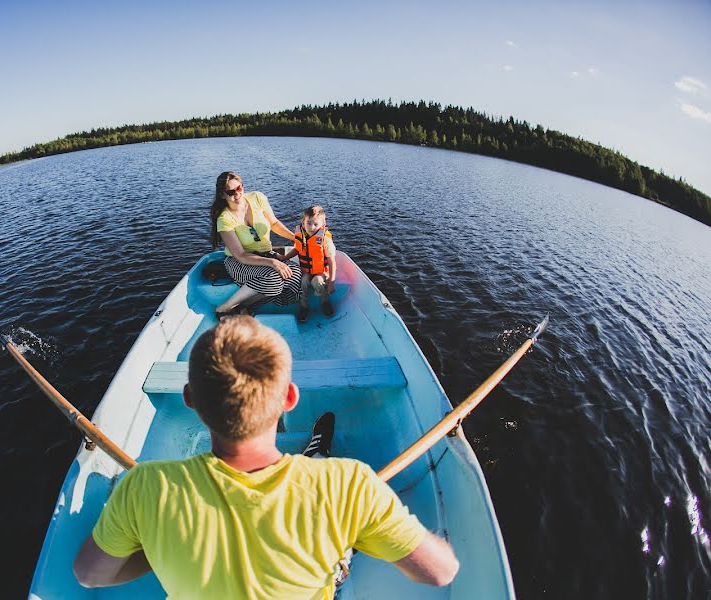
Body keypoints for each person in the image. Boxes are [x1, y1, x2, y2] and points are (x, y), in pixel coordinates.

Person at [73, 317, 460, 598]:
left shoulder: (144, 488)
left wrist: (160, 550)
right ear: (291, 398)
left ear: (189, 399)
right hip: (337, 500)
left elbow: (90, 575)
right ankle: (319, 468)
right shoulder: (351, 485)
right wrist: (366, 517)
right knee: (339, 545)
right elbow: (441, 572)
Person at [210, 171, 303, 318]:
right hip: (239, 262)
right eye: (231, 192)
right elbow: (240, 255)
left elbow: (274, 223)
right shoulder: (224, 219)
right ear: (222, 195)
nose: (237, 194)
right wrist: (272, 262)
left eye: (239, 188)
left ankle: (245, 306)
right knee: (274, 278)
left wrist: (296, 238)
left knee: (296, 276)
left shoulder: (257, 198)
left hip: (266, 255)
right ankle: (224, 307)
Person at [282, 205, 337, 323]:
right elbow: (297, 249)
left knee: (316, 281)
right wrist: (285, 257)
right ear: (303, 222)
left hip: (321, 273)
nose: (312, 227)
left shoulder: (325, 239)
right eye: (309, 223)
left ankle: (324, 301)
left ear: (323, 224)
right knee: (304, 281)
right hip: (306, 270)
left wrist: (332, 282)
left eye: (316, 224)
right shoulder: (300, 235)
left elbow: (332, 262)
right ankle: (304, 306)